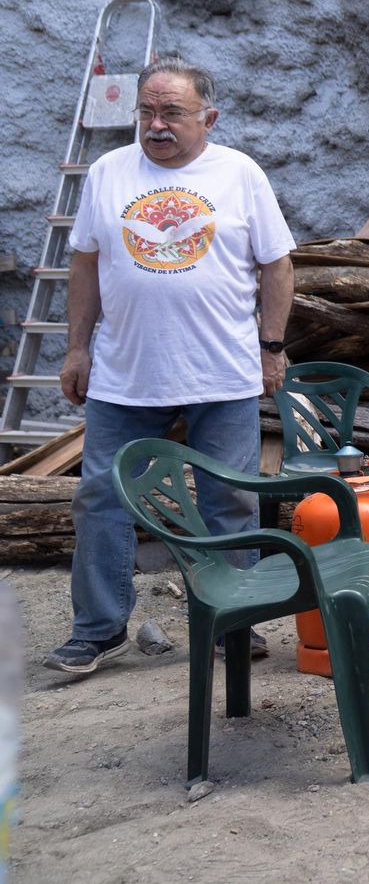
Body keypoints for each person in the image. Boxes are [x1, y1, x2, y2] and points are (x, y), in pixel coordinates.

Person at [44, 57, 296, 674]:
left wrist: (271, 346)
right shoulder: (107, 172)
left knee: (228, 500)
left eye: (172, 113)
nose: (156, 126)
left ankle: (230, 621)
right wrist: (77, 348)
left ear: (208, 118)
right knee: (101, 497)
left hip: (222, 371)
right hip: (126, 373)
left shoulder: (239, 174)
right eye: (147, 113)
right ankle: (99, 629)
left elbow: (278, 265)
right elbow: (84, 264)